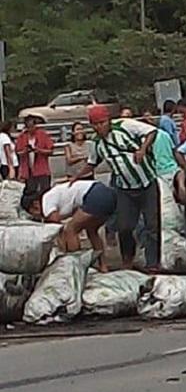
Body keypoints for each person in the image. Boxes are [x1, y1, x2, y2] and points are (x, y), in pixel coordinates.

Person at [71, 105, 161, 272]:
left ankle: (153, 264)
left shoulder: (125, 126)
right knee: (124, 227)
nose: (99, 127)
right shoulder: (97, 143)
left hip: (147, 183)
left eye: (102, 123)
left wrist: (142, 149)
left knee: (152, 226)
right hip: (124, 188)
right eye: (95, 124)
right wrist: (76, 177)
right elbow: (92, 163)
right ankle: (127, 260)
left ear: (109, 121)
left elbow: (152, 132)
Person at [22, 180, 116, 273]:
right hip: (104, 192)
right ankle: (103, 266)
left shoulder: (46, 204)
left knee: (71, 229)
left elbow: (59, 228)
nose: (36, 216)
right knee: (91, 231)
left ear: (35, 205)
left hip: (94, 195)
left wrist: (63, 251)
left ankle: (77, 267)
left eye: (33, 213)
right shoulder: (53, 195)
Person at [15, 115, 55, 193]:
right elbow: (18, 153)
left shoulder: (42, 134)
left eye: (32, 126)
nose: (30, 129)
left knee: (45, 191)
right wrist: (25, 151)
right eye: (28, 127)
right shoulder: (22, 137)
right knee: (31, 192)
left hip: (42, 170)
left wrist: (39, 150)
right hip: (28, 171)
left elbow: (51, 151)